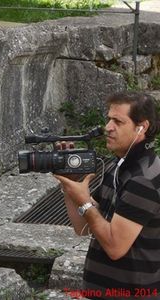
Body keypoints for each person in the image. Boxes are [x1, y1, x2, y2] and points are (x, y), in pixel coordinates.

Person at [55, 92, 160, 299]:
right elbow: (84, 227)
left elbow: (115, 247)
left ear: (142, 127)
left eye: (118, 121)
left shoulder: (144, 179)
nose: (108, 127)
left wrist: (84, 201)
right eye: (109, 119)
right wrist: (70, 184)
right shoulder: (119, 167)